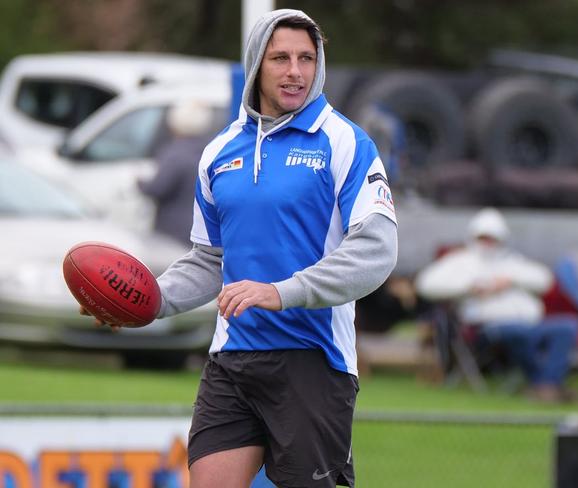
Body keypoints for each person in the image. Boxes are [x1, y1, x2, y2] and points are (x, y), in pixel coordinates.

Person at [83, 8, 398, 488]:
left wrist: (282, 291)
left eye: (306, 58)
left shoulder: (345, 143)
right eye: (280, 58)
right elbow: (209, 260)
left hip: (313, 358)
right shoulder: (219, 152)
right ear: (256, 64)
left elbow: (376, 252)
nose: (296, 71)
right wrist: (148, 304)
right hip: (233, 357)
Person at [415, 207, 578, 402]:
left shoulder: (512, 262)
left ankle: (546, 384)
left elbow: (545, 279)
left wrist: (510, 281)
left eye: (493, 238)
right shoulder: (461, 261)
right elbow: (425, 284)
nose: (488, 243)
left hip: (529, 323)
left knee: (568, 327)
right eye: (483, 237)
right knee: (519, 333)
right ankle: (545, 385)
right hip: (486, 328)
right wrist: (470, 288)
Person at [137, 100, 214, 247]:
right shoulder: (209, 150)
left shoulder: (175, 152)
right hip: (200, 229)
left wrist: (140, 183)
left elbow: (157, 188)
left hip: (172, 231)